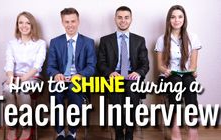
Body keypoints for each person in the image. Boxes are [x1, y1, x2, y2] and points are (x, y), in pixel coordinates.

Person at [97, 6, 149, 140]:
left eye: (126, 17)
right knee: (115, 89)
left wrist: (138, 73)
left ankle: (130, 132)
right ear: (115, 19)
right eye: (119, 17)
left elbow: (145, 64)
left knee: (131, 89)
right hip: (114, 76)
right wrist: (110, 73)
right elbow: (101, 63)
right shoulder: (105, 40)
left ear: (131, 19)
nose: (123, 20)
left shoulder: (139, 40)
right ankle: (119, 132)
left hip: (132, 75)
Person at [47, 8, 96, 140]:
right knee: (56, 94)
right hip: (61, 80)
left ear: (78, 21)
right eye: (66, 21)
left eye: (73, 21)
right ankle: (60, 132)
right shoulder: (55, 42)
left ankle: (72, 132)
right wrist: (56, 74)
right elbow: (50, 66)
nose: (70, 25)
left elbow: (92, 67)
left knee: (74, 90)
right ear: (62, 22)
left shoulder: (88, 42)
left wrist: (80, 75)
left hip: (79, 81)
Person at [154, 5, 202, 140]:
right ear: (169, 20)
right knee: (176, 82)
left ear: (184, 19)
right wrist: (166, 70)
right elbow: (160, 66)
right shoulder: (161, 39)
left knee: (189, 82)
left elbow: (193, 65)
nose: (176, 20)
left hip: (185, 76)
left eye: (180, 17)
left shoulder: (193, 37)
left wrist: (193, 72)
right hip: (168, 77)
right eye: (173, 17)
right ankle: (175, 127)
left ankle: (192, 128)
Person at [3, 11, 46, 140]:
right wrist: (11, 78)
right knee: (7, 90)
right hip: (14, 77)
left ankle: (27, 127)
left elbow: (37, 66)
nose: (24, 25)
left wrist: (22, 80)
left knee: (22, 90)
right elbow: (9, 64)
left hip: (33, 78)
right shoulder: (12, 43)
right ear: (17, 25)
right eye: (21, 22)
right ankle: (12, 127)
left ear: (32, 25)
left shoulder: (40, 43)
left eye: (27, 23)